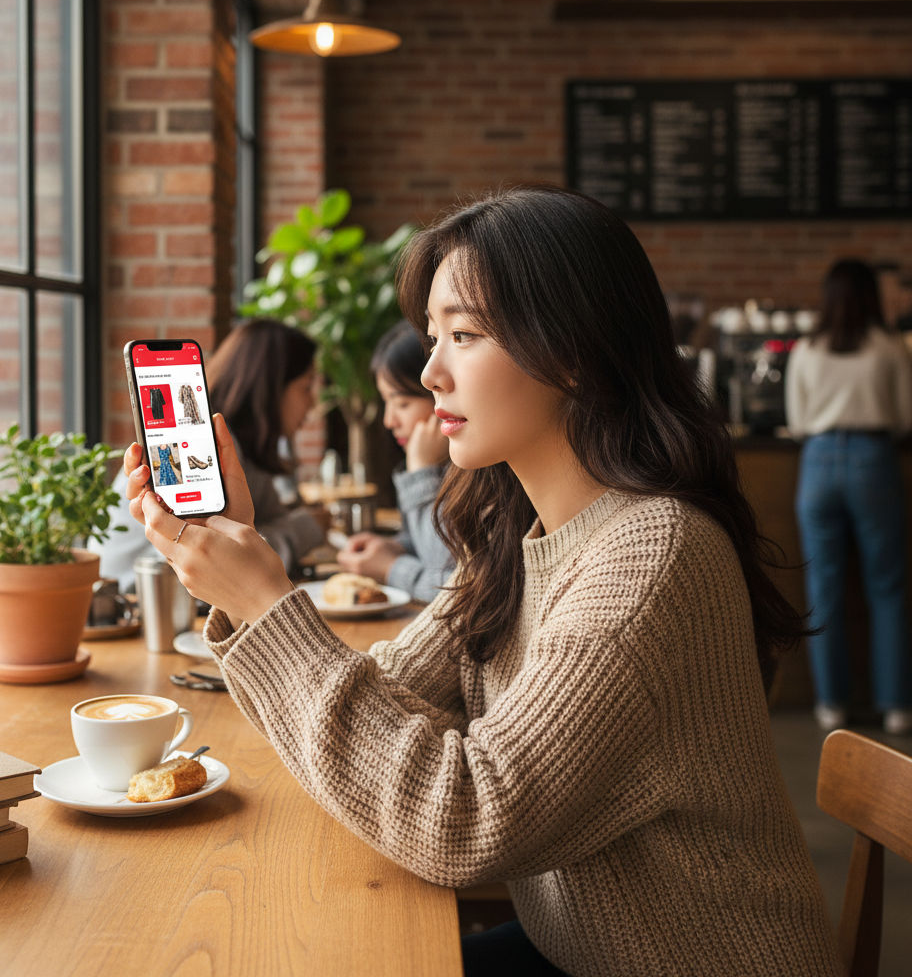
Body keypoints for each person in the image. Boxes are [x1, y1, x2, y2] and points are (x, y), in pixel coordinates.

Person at [124, 187, 840, 977]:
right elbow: (391, 690)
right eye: (433, 335)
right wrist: (240, 576)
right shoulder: (518, 535)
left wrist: (266, 603)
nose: (429, 372)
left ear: (572, 350)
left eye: (463, 334)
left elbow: (464, 820)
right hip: (576, 950)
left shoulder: (654, 558)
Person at [94, 319, 326, 588]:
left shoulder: (249, 451)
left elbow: (257, 530)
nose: (312, 402)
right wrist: (309, 527)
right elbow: (226, 561)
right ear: (271, 388)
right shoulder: (213, 445)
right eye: (306, 387)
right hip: (133, 596)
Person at [786, 259, 912, 735]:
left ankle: (831, 705)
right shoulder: (890, 348)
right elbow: (904, 418)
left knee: (823, 590)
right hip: (874, 459)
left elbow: (796, 422)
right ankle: (897, 706)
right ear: (870, 297)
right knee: (887, 588)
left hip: (817, 463)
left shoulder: (806, 350)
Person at [337, 321, 454, 602]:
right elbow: (427, 544)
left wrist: (391, 568)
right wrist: (393, 547)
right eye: (385, 403)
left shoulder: (483, 473)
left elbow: (449, 582)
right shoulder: (438, 465)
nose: (390, 421)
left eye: (402, 404)